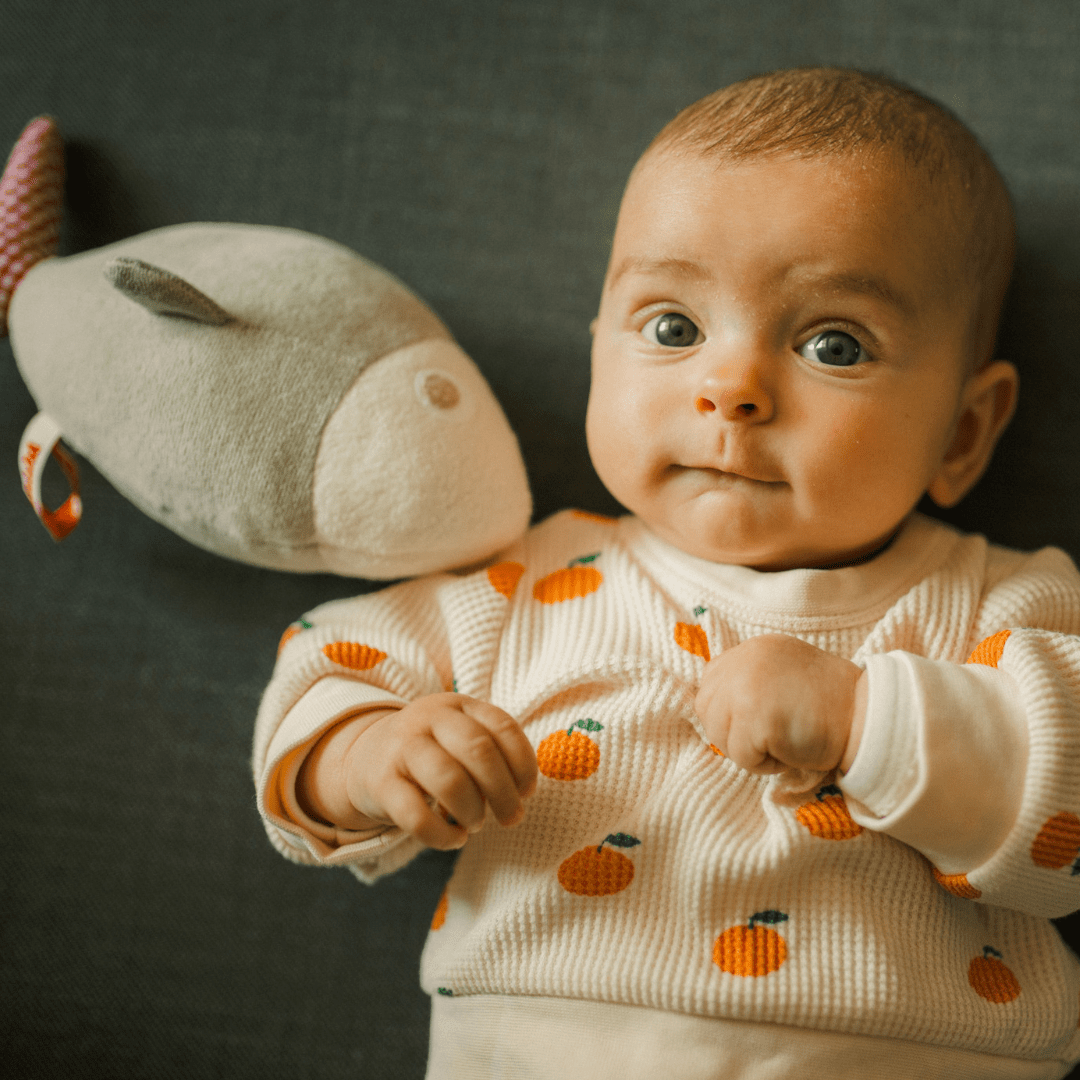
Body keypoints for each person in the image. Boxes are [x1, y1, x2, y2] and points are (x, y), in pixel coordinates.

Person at [253, 68, 1080, 1079]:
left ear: (964, 430)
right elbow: (327, 662)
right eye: (674, 328)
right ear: (598, 349)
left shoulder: (1005, 603)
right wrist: (372, 755)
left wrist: (870, 721)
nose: (730, 387)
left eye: (833, 343)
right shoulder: (525, 578)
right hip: (534, 1040)